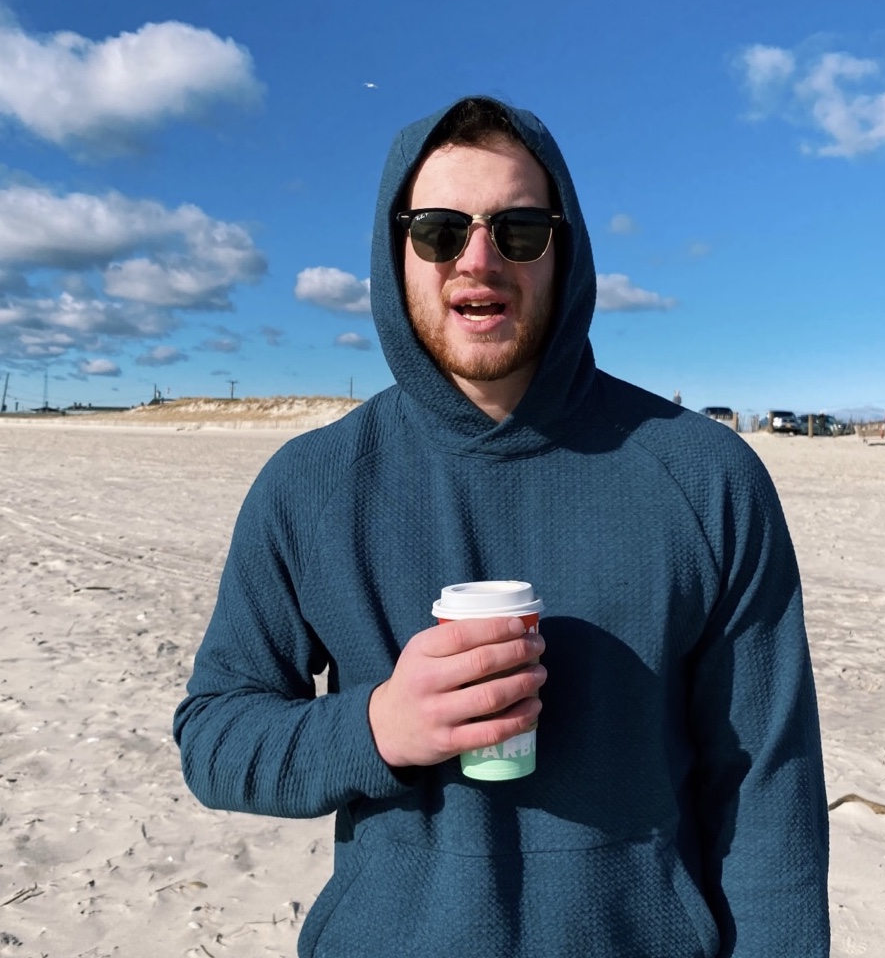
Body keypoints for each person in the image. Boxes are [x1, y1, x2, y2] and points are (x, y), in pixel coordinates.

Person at [174, 96, 830, 957]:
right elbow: (216, 736)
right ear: (395, 250)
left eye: (518, 230)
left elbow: (770, 793)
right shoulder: (312, 484)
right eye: (439, 231)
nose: (477, 260)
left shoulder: (707, 477)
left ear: (566, 249)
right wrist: (378, 728)